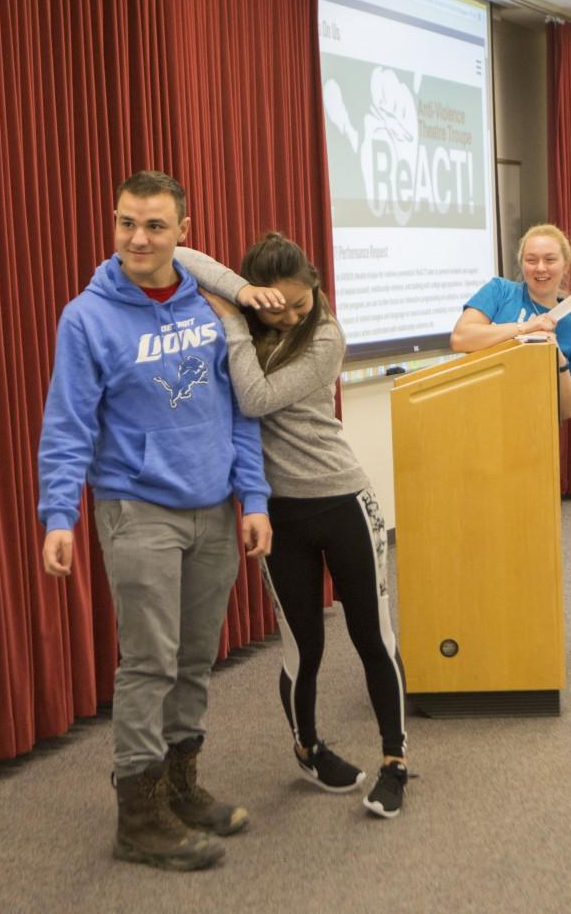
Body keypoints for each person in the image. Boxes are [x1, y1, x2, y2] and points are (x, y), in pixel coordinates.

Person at [38, 170, 272, 871]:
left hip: (211, 508)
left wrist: (252, 498)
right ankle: (138, 818)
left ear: (183, 234)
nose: (137, 239)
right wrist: (58, 514)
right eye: (125, 224)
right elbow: (67, 423)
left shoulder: (207, 309)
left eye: (154, 226)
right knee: (148, 663)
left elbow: (234, 410)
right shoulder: (87, 317)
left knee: (195, 659)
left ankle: (179, 784)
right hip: (136, 509)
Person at [174, 234, 409, 819]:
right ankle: (307, 748)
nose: (296, 312)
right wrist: (237, 294)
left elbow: (254, 399)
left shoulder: (325, 334)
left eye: (304, 300)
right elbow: (182, 257)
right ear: (259, 295)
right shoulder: (252, 321)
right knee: (302, 646)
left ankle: (395, 761)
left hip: (342, 500)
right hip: (279, 513)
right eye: (281, 304)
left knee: (372, 636)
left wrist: (232, 317)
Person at [450, 223, 571, 420]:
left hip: (535, 430)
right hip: (479, 416)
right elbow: (460, 338)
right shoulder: (499, 291)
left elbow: (568, 410)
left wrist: (557, 355)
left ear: (565, 265)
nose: (540, 268)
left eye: (550, 260)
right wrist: (525, 328)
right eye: (531, 260)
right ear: (522, 264)